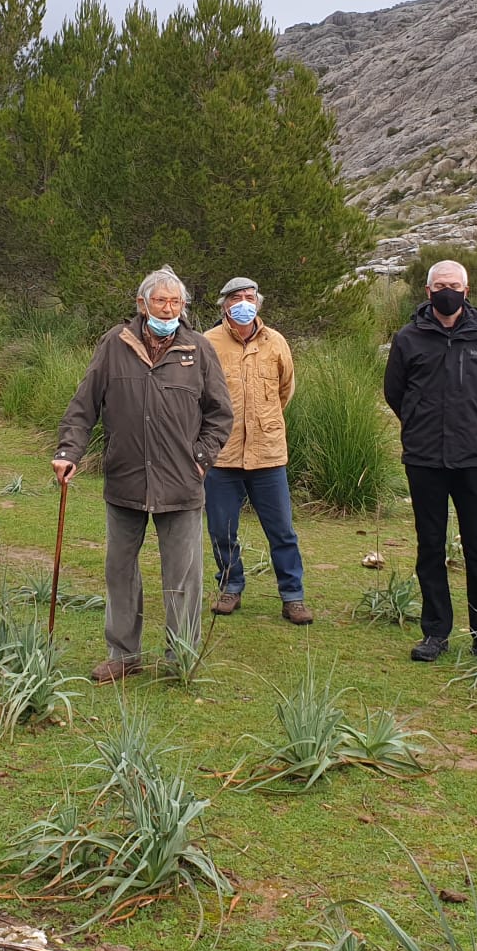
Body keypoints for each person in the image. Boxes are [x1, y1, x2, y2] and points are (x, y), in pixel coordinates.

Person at [54, 266, 233, 683]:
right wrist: (68, 451)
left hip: (181, 482)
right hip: (126, 478)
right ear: (141, 304)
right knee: (119, 568)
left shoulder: (199, 349)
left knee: (183, 575)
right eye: (160, 301)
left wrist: (202, 456)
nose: (168, 309)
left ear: (184, 307)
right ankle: (123, 653)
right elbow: (84, 405)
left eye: (175, 302)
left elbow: (220, 413)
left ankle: (181, 657)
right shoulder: (115, 345)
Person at [383, 258, 477, 662]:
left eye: (454, 285)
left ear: (466, 291)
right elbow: (394, 391)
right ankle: (435, 632)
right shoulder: (408, 337)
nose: (447, 291)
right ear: (428, 291)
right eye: (440, 285)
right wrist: (421, 419)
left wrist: (470, 417)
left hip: (474, 457)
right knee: (430, 546)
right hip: (424, 459)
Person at [202, 276, 311, 625]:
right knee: (221, 528)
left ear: (258, 303)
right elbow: (198, 395)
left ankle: (292, 596)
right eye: (237, 298)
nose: (244, 303)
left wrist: (262, 422)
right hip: (223, 453)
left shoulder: (275, 342)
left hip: (267, 453)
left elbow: (285, 391)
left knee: (282, 529)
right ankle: (230, 586)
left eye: (250, 297)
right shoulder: (207, 343)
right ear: (224, 305)